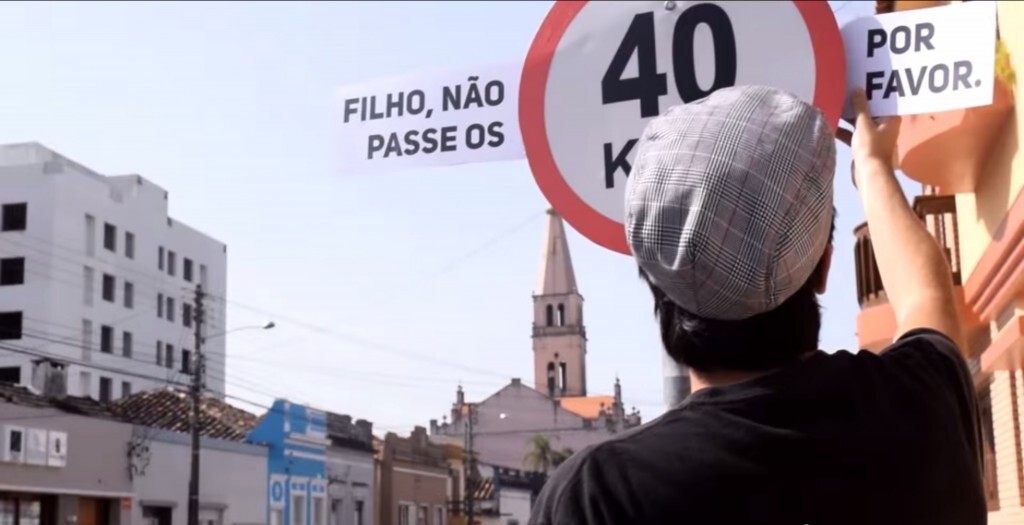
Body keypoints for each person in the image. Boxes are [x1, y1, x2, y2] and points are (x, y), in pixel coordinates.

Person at [527, 86, 986, 525]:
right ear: (825, 268)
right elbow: (927, 296)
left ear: (656, 281)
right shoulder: (918, 405)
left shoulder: (597, 496)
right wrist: (872, 168)